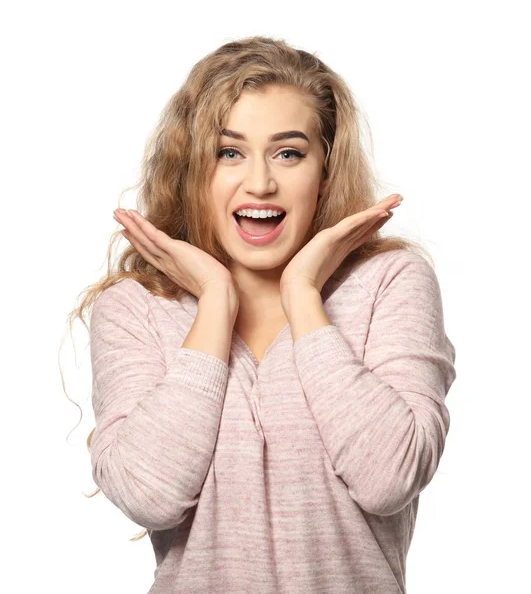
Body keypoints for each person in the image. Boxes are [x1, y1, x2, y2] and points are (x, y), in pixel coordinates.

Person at [81, 36, 456, 593]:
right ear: (191, 169)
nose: (260, 182)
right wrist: (214, 300)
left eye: (289, 152)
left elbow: (390, 477)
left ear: (324, 171)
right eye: (228, 152)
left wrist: (303, 293)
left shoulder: (389, 283)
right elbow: (148, 495)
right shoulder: (136, 308)